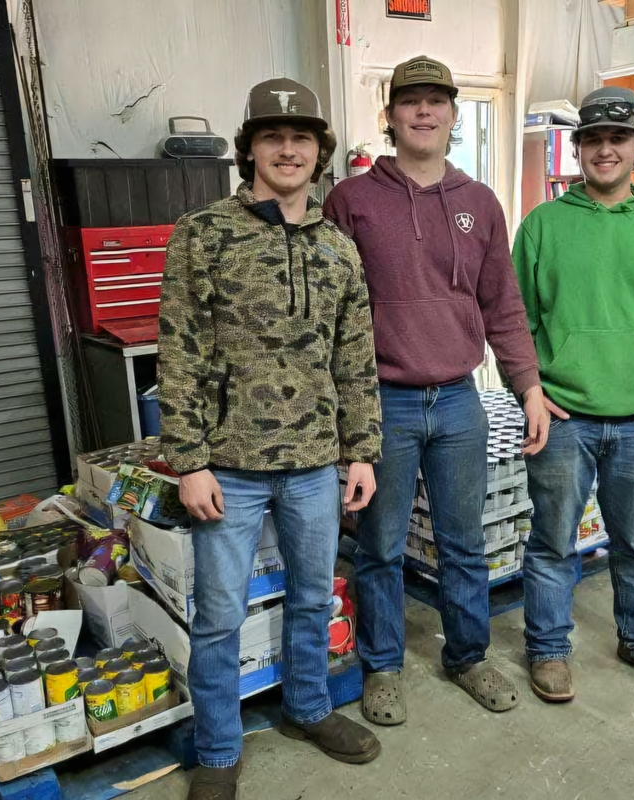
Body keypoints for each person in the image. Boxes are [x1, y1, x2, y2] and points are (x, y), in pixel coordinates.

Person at [158, 78, 384, 800]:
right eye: (272, 137)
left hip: (317, 463)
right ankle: (219, 750)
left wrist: (361, 451)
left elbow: (356, 358)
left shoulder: (339, 249)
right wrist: (189, 462)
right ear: (248, 148)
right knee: (220, 616)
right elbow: (180, 352)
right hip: (232, 465)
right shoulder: (203, 235)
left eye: (302, 139)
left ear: (319, 154)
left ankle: (308, 707)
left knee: (315, 597)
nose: (288, 150)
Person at [324, 56, 547, 724]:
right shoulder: (351, 201)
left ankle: (468, 656)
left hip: (458, 400)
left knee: (462, 542)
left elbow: (503, 305)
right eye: (410, 102)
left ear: (453, 115)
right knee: (381, 546)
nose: (424, 112)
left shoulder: (479, 204)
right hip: (383, 402)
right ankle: (384, 666)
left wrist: (529, 387)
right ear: (390, 116)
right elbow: (333, 314)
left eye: (436, 101)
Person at [512, 87, 634, 703]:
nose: (605, 150)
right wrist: (534, 390)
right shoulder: (544, 224)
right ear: (577, 150)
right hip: (564, 419)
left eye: (618, 138)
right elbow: (517, 320)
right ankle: (548, 650)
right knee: (551, 542)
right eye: (592, 139)